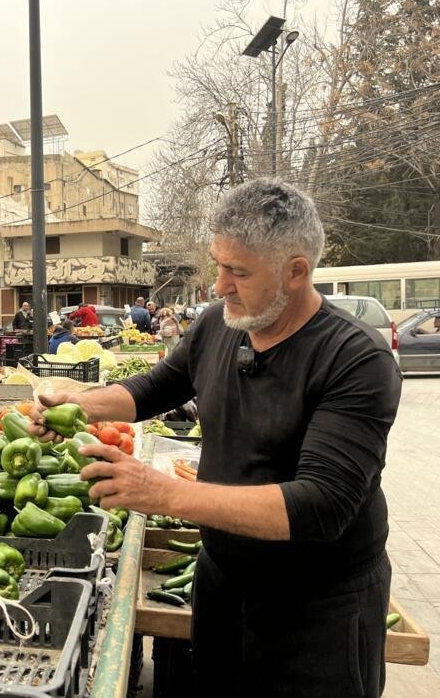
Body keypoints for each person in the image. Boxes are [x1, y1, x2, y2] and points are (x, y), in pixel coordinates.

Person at [30, 178, 402, 697]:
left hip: (320, 609)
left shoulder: (356, 359)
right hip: (224, 585)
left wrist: (164, 494)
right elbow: (155, 388)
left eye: (239, 272)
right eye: (219, 265)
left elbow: (322, 504)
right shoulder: (217, 326)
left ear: (296, 271)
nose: (220, 285)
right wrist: (79, 403)